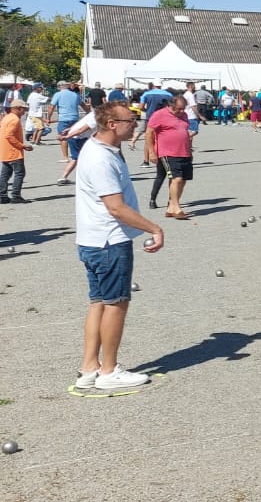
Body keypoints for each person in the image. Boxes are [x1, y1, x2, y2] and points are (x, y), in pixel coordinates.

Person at [74, 100, 165, 391]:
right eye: (129, 120)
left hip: (92, 240)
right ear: (112, 125)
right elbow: (116, 208)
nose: (135, 124)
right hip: (109, 241)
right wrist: (154, 227)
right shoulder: (101, 159)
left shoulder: (100, 148)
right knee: (115, 304)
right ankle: (108, 371)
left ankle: (89, 368)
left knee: (99, 302)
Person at [146, 95, 195, 219]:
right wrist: (151, 152)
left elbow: (186, 133)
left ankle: (171, 207)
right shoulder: (159, 115)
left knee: (182, 181)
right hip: (167, 152)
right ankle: (176, 208)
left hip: (184, 151)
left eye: (183, 109)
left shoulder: (184, 115)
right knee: (176, 179)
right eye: (178, 109)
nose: (181, 112)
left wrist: (190, 150)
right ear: (171, 106)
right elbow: (149, 133)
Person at [1, 97, 34, 203]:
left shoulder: (7, 117)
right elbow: (9, 135)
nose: (24, 111)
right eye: (23, 109)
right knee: (20, 173)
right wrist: (22, 146)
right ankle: (16, 195)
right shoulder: (14, 119)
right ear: (18, 108)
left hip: (5, 150)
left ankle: (2, 196)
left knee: (5, 174)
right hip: (13, 151)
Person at [52, 81, 85, 162]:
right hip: (74, 117)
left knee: (63, 137)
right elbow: (83, 104)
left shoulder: (58, 94)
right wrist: (88, 113)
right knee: (75, 136)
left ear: (59, 87)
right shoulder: (75, 94)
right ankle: (76, 154)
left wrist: (49, 118)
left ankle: (65, 157)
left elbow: (51, 106)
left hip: (63, 118)